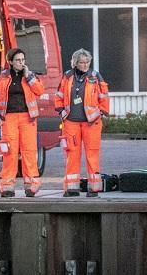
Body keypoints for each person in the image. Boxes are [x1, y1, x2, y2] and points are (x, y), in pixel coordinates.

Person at [54, 49, 109, 197]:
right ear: (75, 63)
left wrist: (100, 113)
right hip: (71, 122)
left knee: (92, 154)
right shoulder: (67, 76)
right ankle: (72, 188)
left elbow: (104, 97)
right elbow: (58, 96)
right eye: (82, 62)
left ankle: (94, 188)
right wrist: (62, 113)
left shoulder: (95, 76)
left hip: (91, 123)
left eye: (87, 62)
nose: (85, 65)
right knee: (72, 154)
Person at [0, 49, 45, 197]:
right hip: (9, 119)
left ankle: (32, 185)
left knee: (29, 151)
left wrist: (29, 77)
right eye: (18, 60)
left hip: (28, 118)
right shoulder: (2, 77)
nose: (21, 63)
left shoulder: (30, 76)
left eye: (23, 60)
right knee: (10, 152)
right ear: (11, 62)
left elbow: (40, 91)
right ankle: (7, 186)